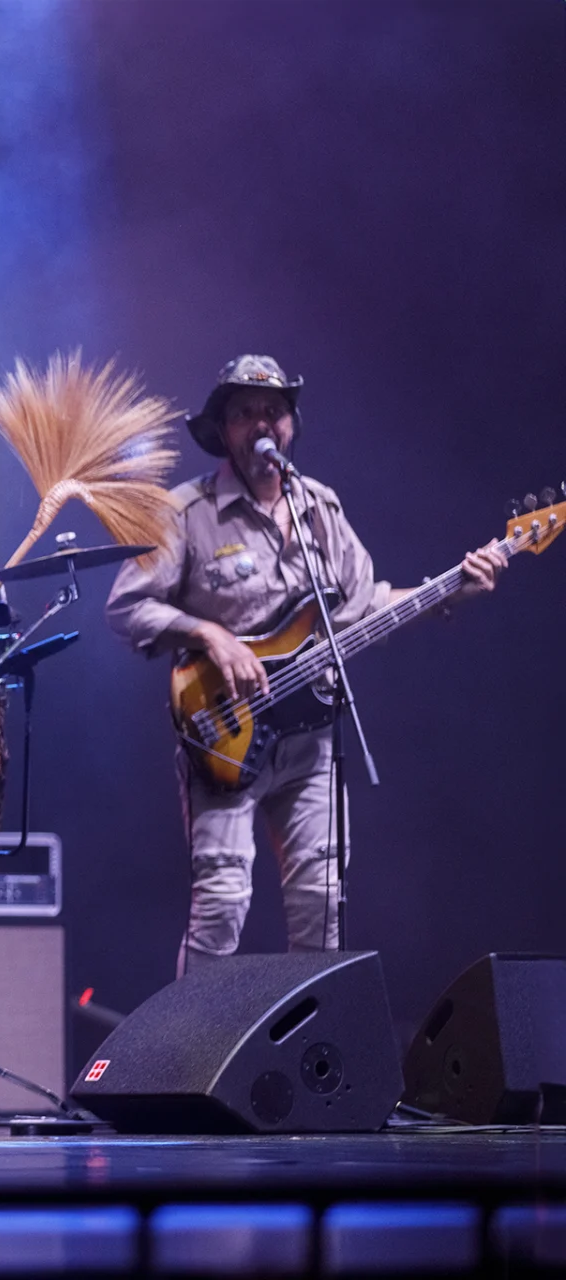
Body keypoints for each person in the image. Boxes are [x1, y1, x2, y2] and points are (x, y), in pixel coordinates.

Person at [105, 355, 504, 973]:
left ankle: (313, 1034)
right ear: (224, 430)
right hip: (224, 735)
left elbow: (365, 605)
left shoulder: (320, 507)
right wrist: (210, 634)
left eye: (274, 411)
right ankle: (188, 1039)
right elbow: (127, 606)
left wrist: (453, 589)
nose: (261, 423)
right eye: (245, 413)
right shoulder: (186, 511)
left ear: (290, 425)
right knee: (221, 908)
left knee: (323, 906)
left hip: (312, 739)